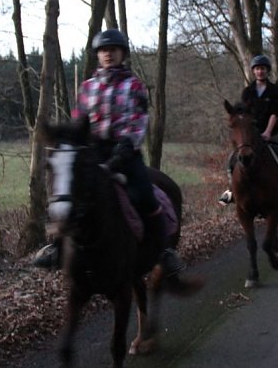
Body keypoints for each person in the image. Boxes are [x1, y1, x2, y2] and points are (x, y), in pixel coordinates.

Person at [35, 29, 196, 291]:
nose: (108, 54)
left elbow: (139, 122)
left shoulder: (134, 86)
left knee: (145, 195)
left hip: (125, 152)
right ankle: (56, 247)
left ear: (122, 54)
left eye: (113, 50)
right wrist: (76, 143)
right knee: (66, 190)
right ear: (98, 55)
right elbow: (80, 122)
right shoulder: (87, 87)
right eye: (103, 51)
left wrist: (124, 148)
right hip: (93, 151)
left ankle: (164, 251)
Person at [219, 53, 278, 204]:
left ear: (267, 71)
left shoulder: (275, 91)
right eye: (258, 69)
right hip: (251, 135)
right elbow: (243, 114)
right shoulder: (247, 92)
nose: (260, 71)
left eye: (263, 69)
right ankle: (231, 191)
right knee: (231, 160)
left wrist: (267, 131)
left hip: (272, 132)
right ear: (253, 71)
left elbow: (275, 113)